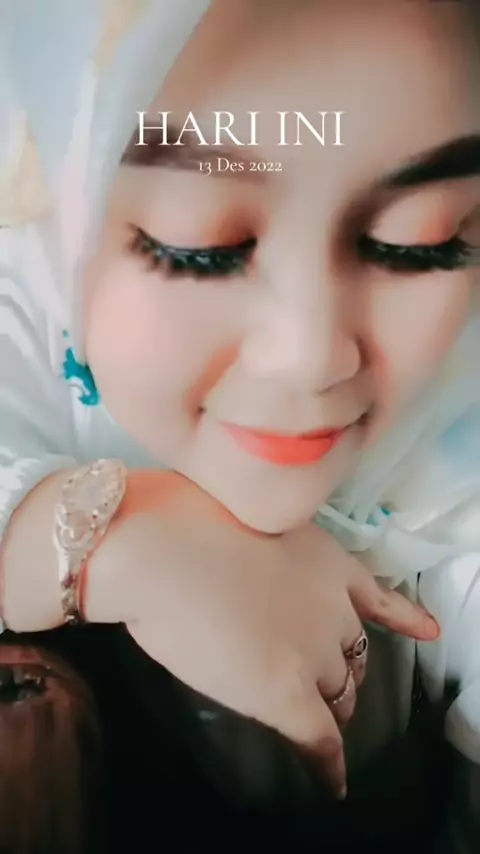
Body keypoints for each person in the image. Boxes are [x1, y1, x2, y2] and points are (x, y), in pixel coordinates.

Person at [0, 0, 479, 848]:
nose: (307, 355)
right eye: (196, 247)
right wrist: (112, 537)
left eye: (417, 244)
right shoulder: (35, 303)